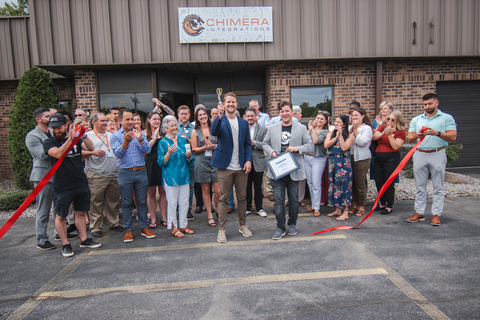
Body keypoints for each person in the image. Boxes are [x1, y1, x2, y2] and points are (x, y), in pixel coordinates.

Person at [43, 113, 101, 257]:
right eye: (53, 128)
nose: (56, 131)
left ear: (67, 126)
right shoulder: (49, 142)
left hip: (80, 181)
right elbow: (57, 154)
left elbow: (89, 147)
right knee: (61, 215)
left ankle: (84, 239)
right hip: (62, 184)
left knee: (81, 212)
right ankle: (65, 244)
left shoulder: (76, 139)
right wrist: (69, 140)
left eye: (59, 128)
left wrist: (82, 135)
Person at [263, 101, 313, 240]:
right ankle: (280, 227)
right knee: (279, 200)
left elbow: (309, 146)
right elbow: (265, 144)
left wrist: (297, 149)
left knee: (293, 200)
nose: (284, 114)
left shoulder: (301, 128)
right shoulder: (272, 128)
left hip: (294, 169)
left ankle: (292, 224)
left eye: (287, 111)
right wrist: (272, 151)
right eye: (282, 111)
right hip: (277, 169)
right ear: (280, 113)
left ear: (292, 112)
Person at [406, 93, 457, 226]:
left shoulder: (446, 118)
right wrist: (417, 135)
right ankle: (419, 212)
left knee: (438, 186)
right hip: (420, 153)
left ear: (436, 103)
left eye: (430, 104)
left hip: (437, 152)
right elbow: (410, 138)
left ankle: (436, 214)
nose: (427, 107)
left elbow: (453, 136)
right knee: (420, 186)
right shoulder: (417, 119)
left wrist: (437, 133)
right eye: (425, 104)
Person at [210, 92, 253, 243]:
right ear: (224, 103)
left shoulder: (243, 122)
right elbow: (213, 133)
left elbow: (247, 143)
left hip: (241, 166)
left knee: (242, 198)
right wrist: (218, 116)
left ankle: (243, 225)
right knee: (223, 198)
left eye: (233, 102)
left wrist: (248, 160)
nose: (230, 104)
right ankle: (221, 230)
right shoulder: (220, 120)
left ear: (236, 104)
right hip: (224, 166)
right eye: (228, 102)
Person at [110, 109, 156, 242]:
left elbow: (147, 150)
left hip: (141, 171)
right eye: (128, 119)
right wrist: (126, 142)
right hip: (125, 172)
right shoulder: (116, 136)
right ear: (120, 121)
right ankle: (128, 229)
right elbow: (117, 154)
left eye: (132, 119)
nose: (131, 122)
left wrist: (140, 139)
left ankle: (144, 227)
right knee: (126, 203)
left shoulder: (139, 133)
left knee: (142, 201)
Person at [26, 109, 62, 250]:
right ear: (38, 120)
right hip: (43, 177)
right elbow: (43, 155)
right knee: (43, 209)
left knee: (57, 207)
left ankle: (58, 232)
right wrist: (59, 148)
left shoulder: (53, 133)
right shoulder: (32, 136)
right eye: (47, 116)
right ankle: (41, 238)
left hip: (57, 176)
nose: (50, 118)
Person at [83, 113, 123, 238]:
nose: (105, 123)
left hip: (112, 173)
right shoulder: (87, 136)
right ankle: (96, 227)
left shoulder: (111, 135)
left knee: (112, 201)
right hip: (97, 173)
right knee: (96, 201)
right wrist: (92, 152)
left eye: (106, 121)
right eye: (102, 121)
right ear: (94, 122)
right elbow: (81, 153)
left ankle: (113, 222)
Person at [157, 115, 194, 237]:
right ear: (165, 127)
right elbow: (161, 162)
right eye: (171, 125)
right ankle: (174, 227)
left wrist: (189, 156)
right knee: (172, 203)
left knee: (184, 202)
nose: (174, 128)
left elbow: (189, 160)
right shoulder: (162, 142)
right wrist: (168, 153)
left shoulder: (183, 140)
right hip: (170, 176)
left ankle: (183, 225)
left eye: (175, 125)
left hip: (184, 174)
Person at [372, 110, 406, 214]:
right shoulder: (383, 127)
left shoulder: (401, 132)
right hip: (378, 159)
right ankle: (382, 202)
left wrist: (390, 135)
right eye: (389, 119)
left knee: (389, 182)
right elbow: (374, 137)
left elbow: (396, 146)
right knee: (379, 181)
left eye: (393, 120)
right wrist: (383, 132)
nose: (390, 121)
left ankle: (389, 205)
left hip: (391, 159)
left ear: (398, 121)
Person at [191, 107, 220, 226]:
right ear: (197, 118)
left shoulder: (214, 128)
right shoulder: (195, 131)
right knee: (206, 190)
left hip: (215, 161)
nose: (202, 116)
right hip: (202, 161)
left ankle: (217, 209)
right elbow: (194, 149)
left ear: (207, 115)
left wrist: (214, 146)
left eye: (204, 114)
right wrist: (205, 148)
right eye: (200, 115)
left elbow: (221, 143)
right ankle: (209, 215)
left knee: (218, 191)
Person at [324, 115, 355, 221]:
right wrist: (336, 137)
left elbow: (344, 147)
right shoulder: (330, 134)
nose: (336, 124)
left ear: (344, 124)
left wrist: (341, 136)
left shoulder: (350, 136)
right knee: (334, 184)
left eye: (339, 122)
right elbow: (326, 145)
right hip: (332, 161)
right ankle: (337, 209)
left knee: (345, 185)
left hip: (343, 162)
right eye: (335, 122)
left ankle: (346, 211)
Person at [348, 107, 373, 217]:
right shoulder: (350, 128)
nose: (354, 117)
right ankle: (354, 205)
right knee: (352, 183)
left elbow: (362, 142)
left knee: (360, 183)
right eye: (353, 115)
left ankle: (361, 206)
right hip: (350, 157)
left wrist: (355, 131)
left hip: (361, 158)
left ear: (363, 116)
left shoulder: (366, 128)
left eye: (356, 115)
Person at [145, 110, 168, 228]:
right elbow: (146, 149)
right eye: (154, 119)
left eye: (158, 119)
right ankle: (153, 218)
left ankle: (164, 216)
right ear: (148, 120)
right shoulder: (144, 134)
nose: (157, 121)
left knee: (163, 192)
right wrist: (154, 137)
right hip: (150, 165)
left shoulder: (164, 134)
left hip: (162, 165)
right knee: (151, 193)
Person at [244, 107, 268, 218]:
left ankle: (259, 208)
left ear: (255, 117)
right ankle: (248, 207)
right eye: (248, 116)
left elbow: (265, 144)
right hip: (245, 161)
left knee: (258, 187)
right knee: (246, 186)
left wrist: (254, 142)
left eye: (252, 116)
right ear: (245, 117)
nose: (250, 118)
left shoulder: (262, 129)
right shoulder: (242, 128)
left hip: (258, 160)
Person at [305, 112, 329, 217]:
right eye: (317, 118)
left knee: (316, 183)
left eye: (321, 119)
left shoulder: (326, 132)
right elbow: (306, 141)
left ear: (325, 121)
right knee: (310, 183)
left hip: (318, 159)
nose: (318, 120)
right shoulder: (312, 130)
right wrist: (310, 129)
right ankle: (314, 205)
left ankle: (317, 208)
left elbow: (315, 141)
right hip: (307, 157)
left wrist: (313, 129)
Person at [176, 105, 196, 220]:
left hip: (191, 162)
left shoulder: (194, 128)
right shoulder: (174, 127)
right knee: (178, 187)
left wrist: (188, 140)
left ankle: (188, 210)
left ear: (189, 115)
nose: (184, 115)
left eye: (186, 113)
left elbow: (197, 143)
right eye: (181, 113)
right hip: (178, 163)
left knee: (190, 187)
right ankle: (179, 210)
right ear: (178, 115)